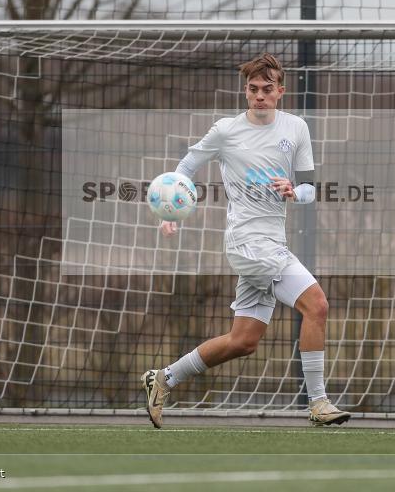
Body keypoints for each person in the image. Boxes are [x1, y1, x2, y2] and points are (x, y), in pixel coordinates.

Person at [141, 53, 350, 428]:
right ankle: (318, 403)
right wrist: (167, 213)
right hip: (247, 244)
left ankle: (164, 378)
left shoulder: (296, 129)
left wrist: (293, 190)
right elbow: (185, 169)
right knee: (317, 305)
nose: (259, 96)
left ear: (280, 92)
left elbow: (309, 189)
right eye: (253, 89)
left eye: (267, 90)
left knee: (244, 341)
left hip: (272, 242)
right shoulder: (225, 130)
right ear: (246, 91)